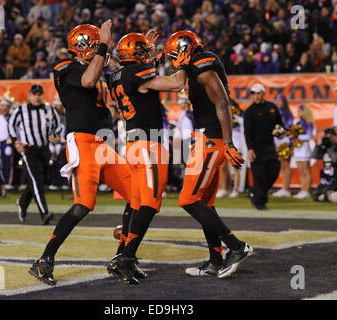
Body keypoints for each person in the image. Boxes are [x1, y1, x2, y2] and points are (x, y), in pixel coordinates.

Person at [28, 22, 136, 286]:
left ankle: (122, 258)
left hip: (104, 144)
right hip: (83, 141)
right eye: (97, 43)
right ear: (85, 45)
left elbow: (122, 80)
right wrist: (104, 45)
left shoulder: (98, 71)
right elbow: (87, 80)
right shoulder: (66, 68)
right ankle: (44, 260)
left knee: (139, 197)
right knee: (84, 204)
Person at [165, 30, 252, 279]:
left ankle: (236, 246)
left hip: (211, 139)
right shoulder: (194, 65)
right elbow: (175, 78)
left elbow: (222, 103)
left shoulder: (203, 66)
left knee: (188, 199)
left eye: (174, 54)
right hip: (206, 137)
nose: (173, 60)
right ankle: (215, 261)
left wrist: (227, 142)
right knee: (206, 203)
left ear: (185, 50)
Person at [107, 31, 188, 284]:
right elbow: (176, 84)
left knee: (137, 202)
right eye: (143, 51)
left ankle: (122, 255)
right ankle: (126, 259)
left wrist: (153, 55)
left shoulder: (118, 75)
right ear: (134, 55)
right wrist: (182, 62)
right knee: (150, 204)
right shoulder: (135, 74)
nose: (149, 55)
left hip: (133, 145)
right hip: (148, 145)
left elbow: (147, 79)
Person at [8, 84, 62, 225]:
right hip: (29, 149)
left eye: (39, 94)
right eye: (34, 94)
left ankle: (22, 202)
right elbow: (10, 124)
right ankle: (44, 213)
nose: (37, 97)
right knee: (37, 181)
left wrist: (55, 134)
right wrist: (15, 141)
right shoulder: (21, 109)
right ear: (30, 95)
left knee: (40, 181)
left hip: (44, 149)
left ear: (42, 95)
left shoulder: (49, 109)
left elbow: (58, 124)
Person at [244, 83, 284, 210]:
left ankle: (255, 192)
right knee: (259, 176)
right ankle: (260, 202)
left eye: (258, 93)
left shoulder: (272, 107)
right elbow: (247, 132)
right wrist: (250, 149)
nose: (256, 96)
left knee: (274, 170)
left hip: (269, 146)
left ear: (263, 94)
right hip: (256, 148)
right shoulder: (249, 111)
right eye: (254, 94)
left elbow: (280, 125)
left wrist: (279, 131)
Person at [312, 128, 337, 203]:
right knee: (316, 196)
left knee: (325, 195)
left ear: (335, 136)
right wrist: (318, 146)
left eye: (330, 136)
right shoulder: (325, 147)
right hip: (326, 179)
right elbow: (315, 156)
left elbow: (335, 159)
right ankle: (330, 196)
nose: (329, 139)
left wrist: (329, 148)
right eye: (327, 137)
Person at [272, 94, 294, 197]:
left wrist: (282, 131)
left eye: (281, 100)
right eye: (277, 100)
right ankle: (284, 188)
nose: (279, 102)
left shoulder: (287, 114)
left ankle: (286, 188)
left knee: (286, 165)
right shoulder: (274, 112)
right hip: (278, 142)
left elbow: (289, 128)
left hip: (285, 141)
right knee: (282, 165)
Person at [292, 104, 315, 199]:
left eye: (300, 111)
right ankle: (302, 190)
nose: (298, 113)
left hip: (304, 149)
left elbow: (308, 137)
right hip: (297, 149)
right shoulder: (297, 123)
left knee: (306, 170)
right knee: (301, 171)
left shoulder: (309, 123)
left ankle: (307, 190)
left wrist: (297, 136)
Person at [0, 97, 14, 190]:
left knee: (8, 163)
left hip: (8, 142)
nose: (3, 107)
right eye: (2, 105)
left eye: (5, 106)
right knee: (1, 164)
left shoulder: (11, 117)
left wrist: (9, 144)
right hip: (1, 142)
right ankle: (2, 181)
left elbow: (12, 131)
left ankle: (8, 182)